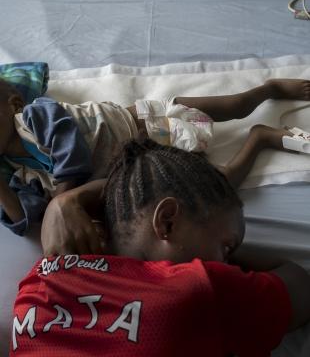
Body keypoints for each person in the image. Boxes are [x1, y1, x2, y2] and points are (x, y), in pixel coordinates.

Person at [11, 138, 310, 356]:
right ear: (167, 222)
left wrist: (66, 201)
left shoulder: (40, 280)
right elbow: (299, 287)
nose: (227, 263)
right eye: (226, 247)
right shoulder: (197, 287)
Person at [1, 77, 310, 235]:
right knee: (220, 183)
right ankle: (260, 138)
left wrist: (60, 201)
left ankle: (267, 90)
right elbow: (30, 219)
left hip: (146, 120)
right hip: (146, 160)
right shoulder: (19, 173)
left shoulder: (35, 115)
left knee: (235, 104)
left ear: (14, 103)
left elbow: (71, 153)